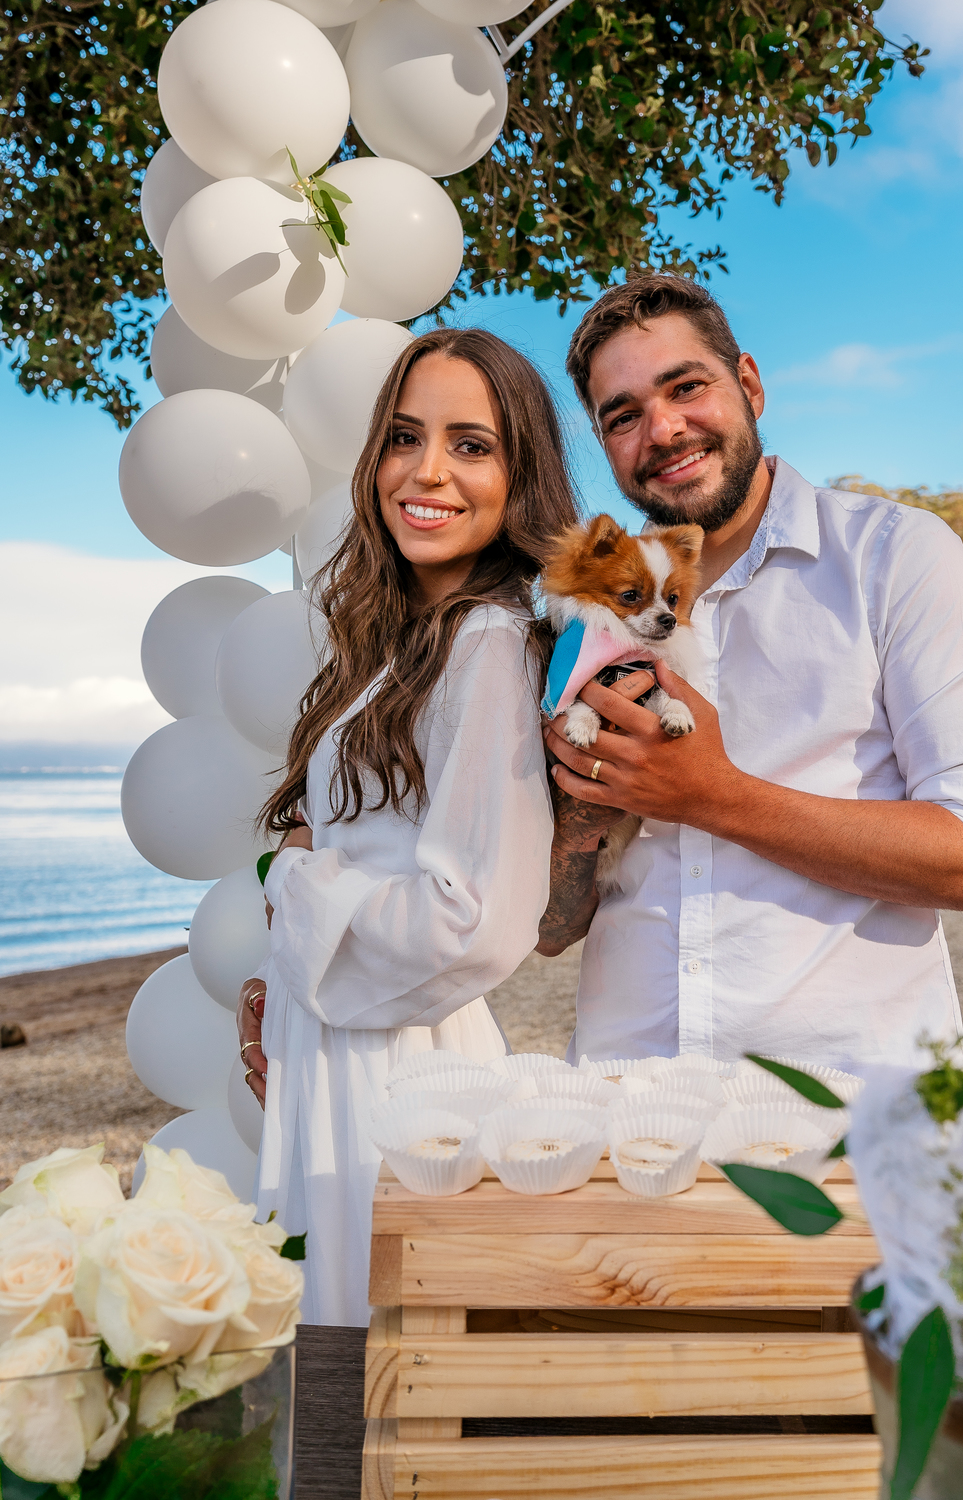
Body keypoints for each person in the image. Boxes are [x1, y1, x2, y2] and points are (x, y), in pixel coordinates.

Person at [538, 275, 963, 1069]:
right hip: (625, 1092)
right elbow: (549, 934)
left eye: (686, 387)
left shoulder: (894, 557)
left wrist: (713, 795)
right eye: (622, 416)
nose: (663, 429)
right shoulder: (581, 619)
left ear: (750, 384)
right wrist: (580, 821)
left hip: (848, 1099)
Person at [236, 328, 577, 1325]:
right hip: (343, 1046)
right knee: (329, 1350)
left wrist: (295, 880)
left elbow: (477, 922)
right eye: (403, 436)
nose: (427, 471)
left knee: (373, 1360)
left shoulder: (487, 645)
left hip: (398, 1069)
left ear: (521, 478)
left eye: (471, 445)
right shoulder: (404, 644)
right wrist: (286, 975)